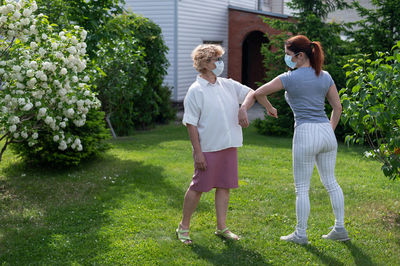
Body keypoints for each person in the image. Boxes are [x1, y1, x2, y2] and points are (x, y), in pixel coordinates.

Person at [254, 35, 349, 244]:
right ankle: (340, 229)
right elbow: (337, 107)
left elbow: (258, 93)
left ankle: (300, 234)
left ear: (299, 55)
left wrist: (270, 108)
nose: (285, 58)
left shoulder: (288, 78)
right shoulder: (325, 76)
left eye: (288, 55)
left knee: (302, 188)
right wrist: (329, 130)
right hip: (325, 131)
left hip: (305, 132)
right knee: (331, 182)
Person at [176, 44, 255, 244]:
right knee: (198, 188)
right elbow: (191, 124)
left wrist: (243, 109)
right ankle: (183, 227)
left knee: (224, 186)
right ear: (204, 63)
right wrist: (198, 153)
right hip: (208, 148)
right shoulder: (195, 91)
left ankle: (222, 227)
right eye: (216, 59)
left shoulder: (226, 84)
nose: (220, 63)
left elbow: (251, 93)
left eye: (220, 58)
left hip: (228, 145)